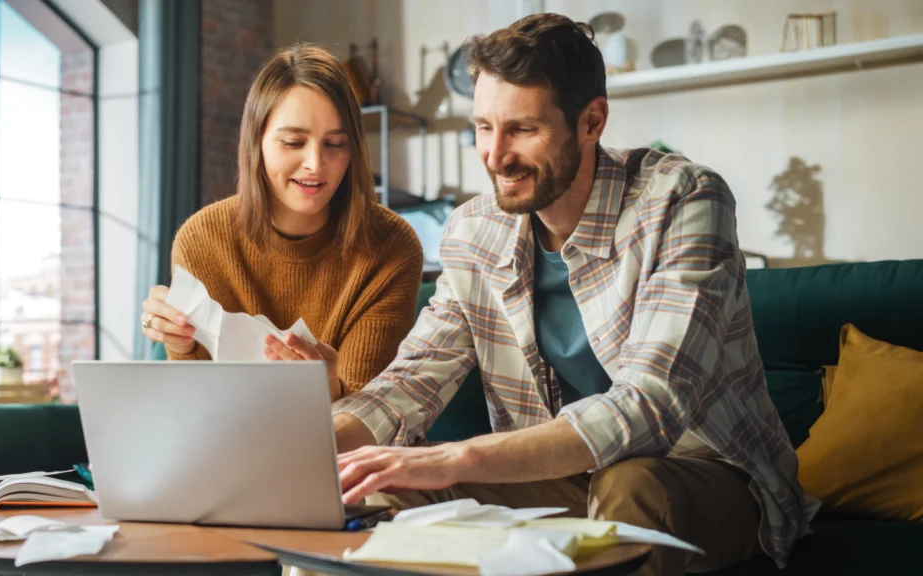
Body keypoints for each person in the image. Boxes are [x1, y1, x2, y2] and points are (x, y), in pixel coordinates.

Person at [330, 14, 818, 576]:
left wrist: (455, 455)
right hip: (557, 478)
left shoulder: (682, 200)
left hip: (703, 472)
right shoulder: (472, 231)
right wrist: (310, 442)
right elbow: (412, 380)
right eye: (484, 128)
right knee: (377, 486)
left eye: (522, 130)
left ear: (592, 121)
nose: (494, 155)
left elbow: (651, 405)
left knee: (628, 483)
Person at [139, 43, 424, 401]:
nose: (315, 164)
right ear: (257, 142)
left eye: (335, 144)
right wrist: (176, 338)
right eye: (293, 142)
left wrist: (328, 389)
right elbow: (195, 403)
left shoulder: (391, 246)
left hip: (349, 449)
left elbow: (371, 415)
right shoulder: (202, 239)